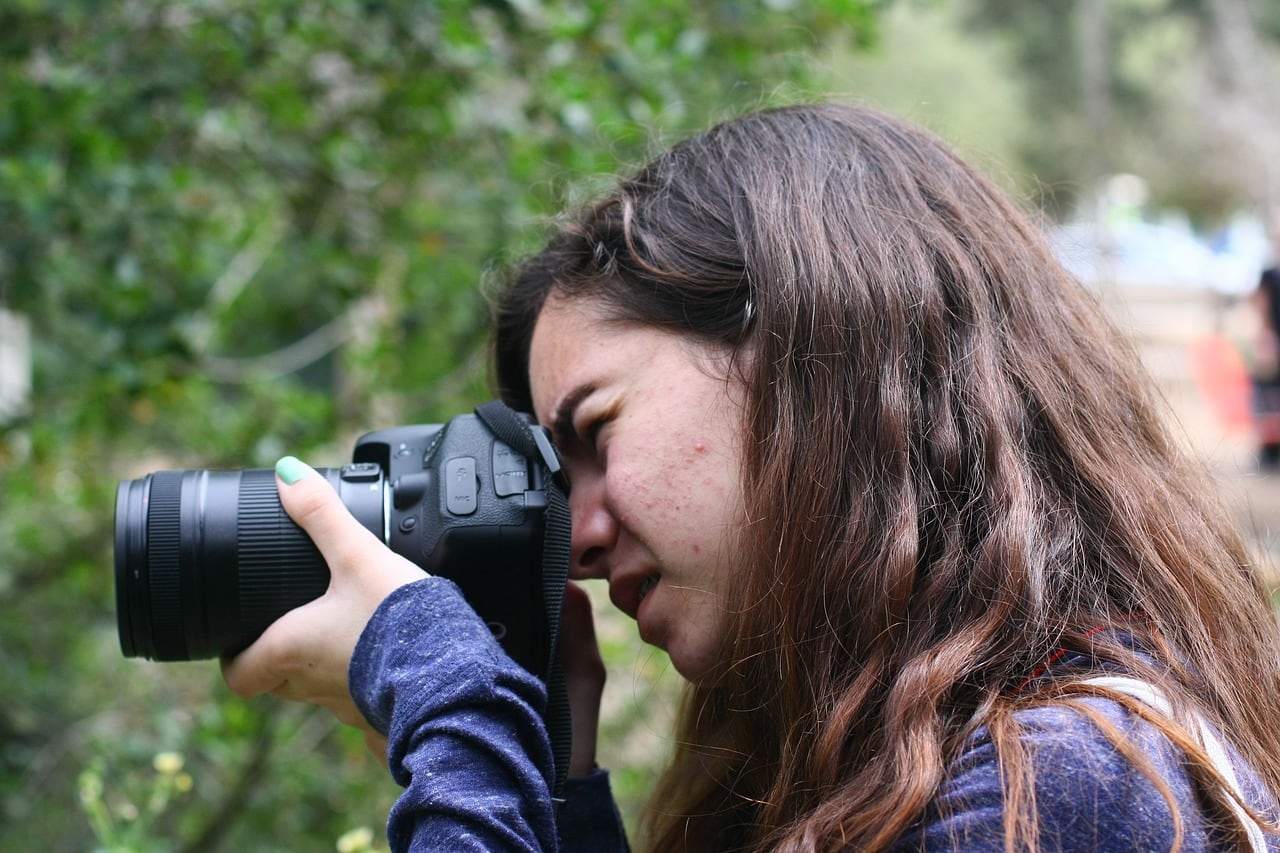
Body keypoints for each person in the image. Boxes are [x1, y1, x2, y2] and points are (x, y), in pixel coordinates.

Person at [222, 104, 1280, 851]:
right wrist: (548, 785)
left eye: (593, 431)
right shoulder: (940, 760)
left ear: (816, 363)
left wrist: (452, 705)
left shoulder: (1060, 781)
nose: (575, 537)